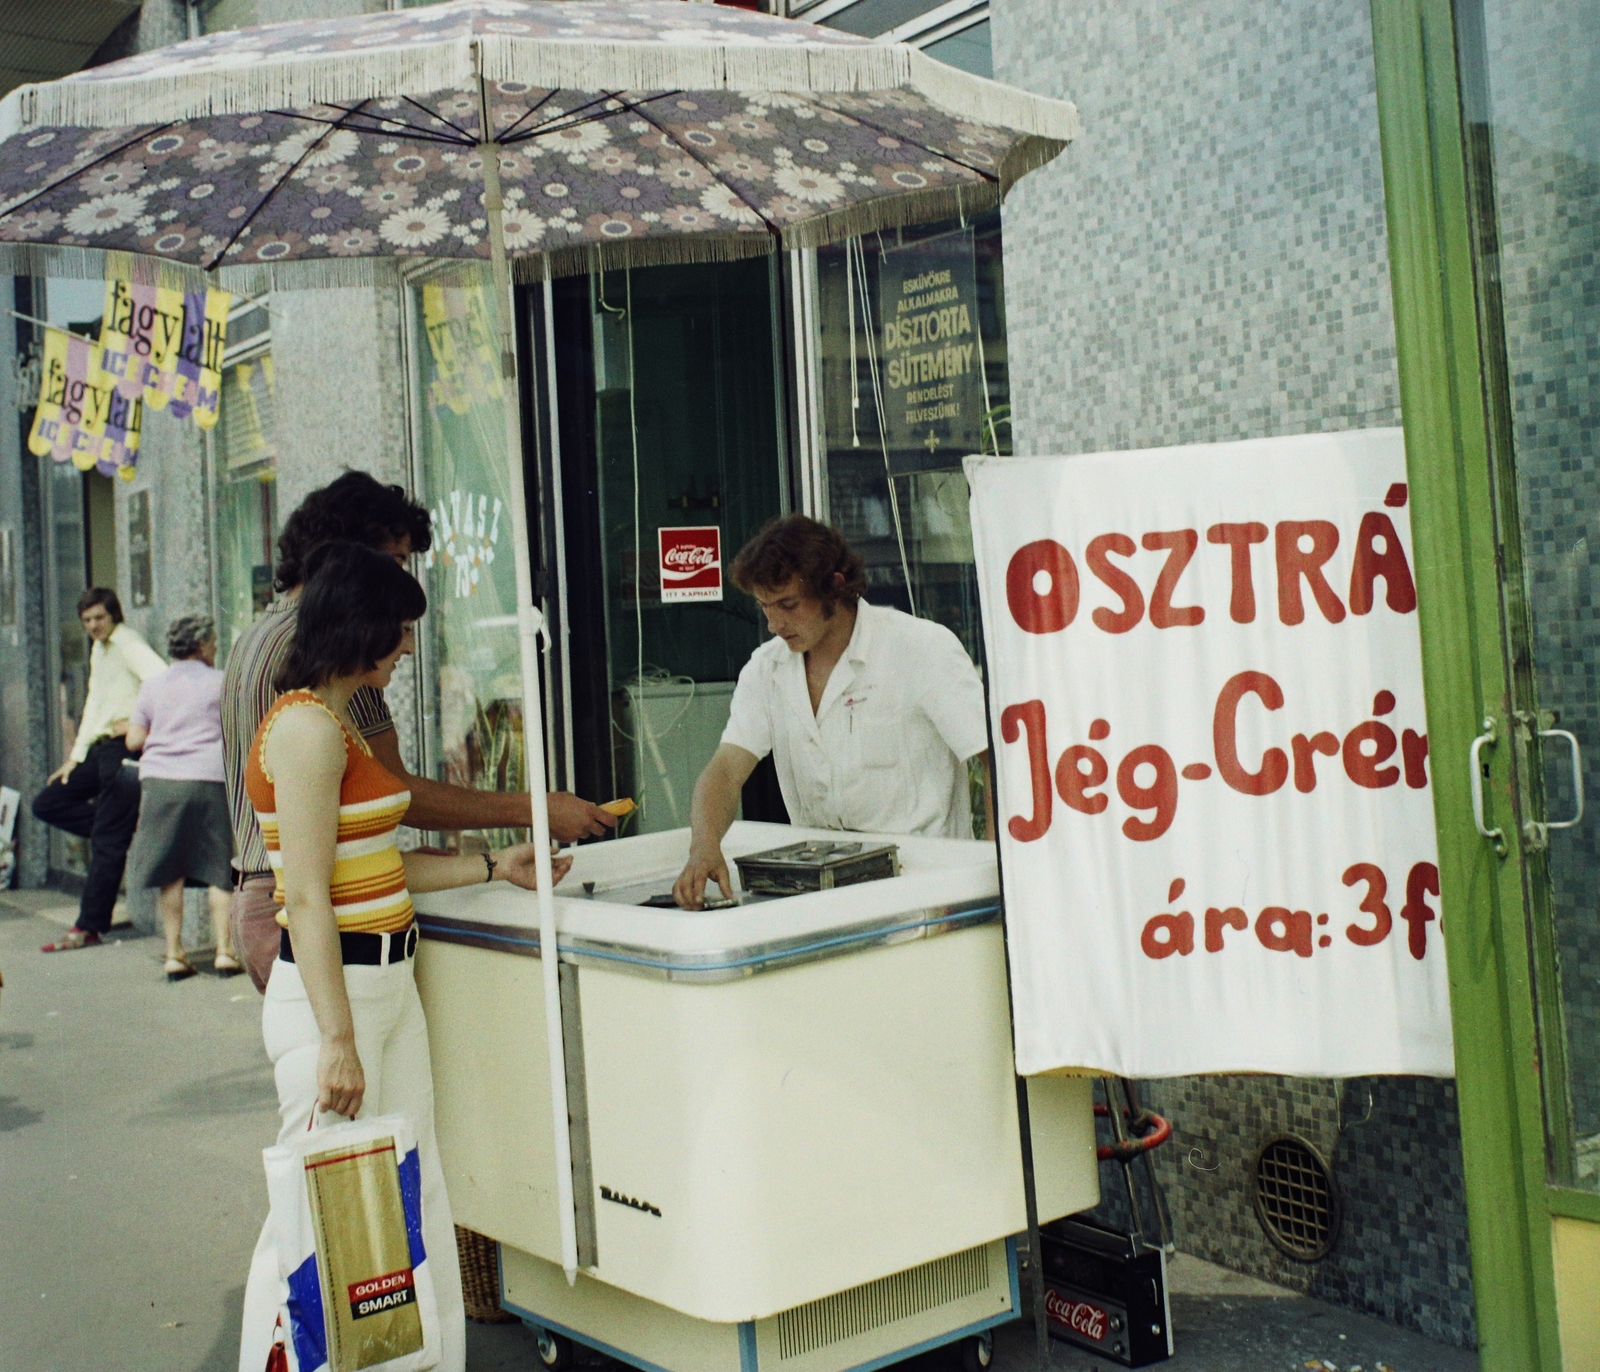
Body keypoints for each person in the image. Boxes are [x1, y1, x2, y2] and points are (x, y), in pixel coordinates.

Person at [237, 542, 571, 1372]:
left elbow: (379, 865)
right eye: (400, 631)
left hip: (378, 983)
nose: (409, 648)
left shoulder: (331, 722)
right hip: (340, 993)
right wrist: (339, 1038)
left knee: (403, 1197)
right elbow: (308, 897)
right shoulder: (309, 729)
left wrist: (494, 866)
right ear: (362, 627)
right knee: (321, 1215)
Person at [223, 470, 615, 992]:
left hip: (260, 896)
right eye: (395, 564)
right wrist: (537, 809)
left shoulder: (258, 635)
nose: (403, 590)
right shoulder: (339, 656)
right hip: (315, 911)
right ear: (349, 563)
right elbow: (397, 792)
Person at [674, 515, 993, 909]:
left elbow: (997, 759)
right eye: (764, 607)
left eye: (788, 605)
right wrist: (703, 846)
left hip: (927, 888)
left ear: (835, 587)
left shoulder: (919, 648)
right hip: (819, 890)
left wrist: (997, 868)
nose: (774, 624)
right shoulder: (766, 669)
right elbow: (725, 770)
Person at [33, 588, 167, 951]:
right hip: (100, 748)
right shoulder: (101, 648)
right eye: (87, 620)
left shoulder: (127, 642)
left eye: (99, 618)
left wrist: (142, 725)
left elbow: (162, 679)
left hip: (124, 747)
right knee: (48, 802)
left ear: (114, 616)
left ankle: (88, 927)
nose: (93, 625)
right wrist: (75, 758)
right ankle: (117, 833)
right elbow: (94, 703)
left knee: (109, 840)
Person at [124, 615, 241, 981]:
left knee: (170, 872)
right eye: (214, 642)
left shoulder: (153, 685)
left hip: (162, 783)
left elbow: (133, 740)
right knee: (219, 869)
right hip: (210, 779)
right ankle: (225, 952)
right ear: (203, 645)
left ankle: (175, 954)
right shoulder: (222, 682)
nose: (216, 647)